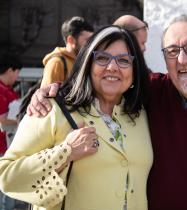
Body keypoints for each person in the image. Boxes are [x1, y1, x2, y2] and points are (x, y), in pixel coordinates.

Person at [26, 15, 187, 210]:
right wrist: (55, 90)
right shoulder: (149, 91)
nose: (183, 59)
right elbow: (105, 80)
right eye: (172, 51)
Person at [0, 25, 153, 210]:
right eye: (102, 58)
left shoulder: (142, 114)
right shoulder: (52, 109)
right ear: (88, 64)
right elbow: (6, 175)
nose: (112, 67)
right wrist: (65, 152)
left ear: (135, 70)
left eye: (123, 60)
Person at [41, 16, 94, 87]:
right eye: (87, 40)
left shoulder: (82, 60)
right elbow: (47, 95)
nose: (91, 44)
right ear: (71, 40)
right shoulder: (56, 63)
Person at [0, 54, 22, 210]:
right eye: (16, 73)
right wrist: (23, 121)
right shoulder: (2, 91)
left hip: (6, 145)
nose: (17, 76)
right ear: (9, 71)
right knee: (4, 192)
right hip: (2, 146)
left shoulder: (7, 90)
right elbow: (1, 119)